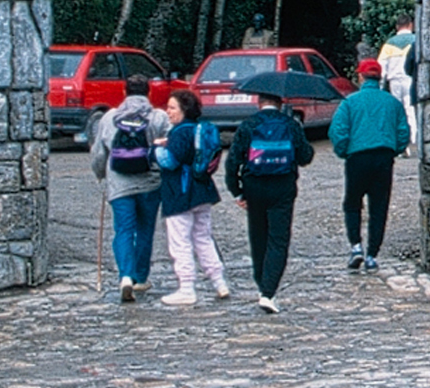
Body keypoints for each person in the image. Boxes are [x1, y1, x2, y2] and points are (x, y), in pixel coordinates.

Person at [226, 94, 315, 312]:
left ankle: (261, 285)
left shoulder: (248, 125)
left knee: (258, 238)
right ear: (280, 103)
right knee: (278, 239)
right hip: (282, 187)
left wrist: (237, 192)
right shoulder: (290, 124)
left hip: (253, 186)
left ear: (259, 102)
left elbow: (232, 162)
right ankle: (268, 291)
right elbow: (305, 157)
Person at [93, 79, 172, 304]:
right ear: (149, 92)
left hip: (119, 183)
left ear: (124, 91)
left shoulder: (109, 117)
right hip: (150, 182)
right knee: (145, 230)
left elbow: (99, 152)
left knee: (123, 230)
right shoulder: (158, 117)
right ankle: (140, 278)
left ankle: (125, 276)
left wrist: (100, 174)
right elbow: (171, 145)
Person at [331, 59, 411, 273]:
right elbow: (403, 132)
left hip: (357, 157)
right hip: (383, 157)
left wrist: (344, 151)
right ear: (379, 77)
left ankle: (356, 246)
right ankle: (372, 255)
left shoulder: (350, 102)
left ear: (360, 76)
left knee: (352, 203)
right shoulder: (392, 103)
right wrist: (394, 150)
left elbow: (338, 131)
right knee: (379, 207)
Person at [159, 90, 234, 307]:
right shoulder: (199, 129)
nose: (168, 111)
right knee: (203, 238)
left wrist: (153, 151)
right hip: (203, 191)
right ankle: (219, 282)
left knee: (180, 241)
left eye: (172, 107)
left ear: (183, 110)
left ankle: (186, 288)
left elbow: (170, 161)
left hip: (180, 193)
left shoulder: (178, 133)